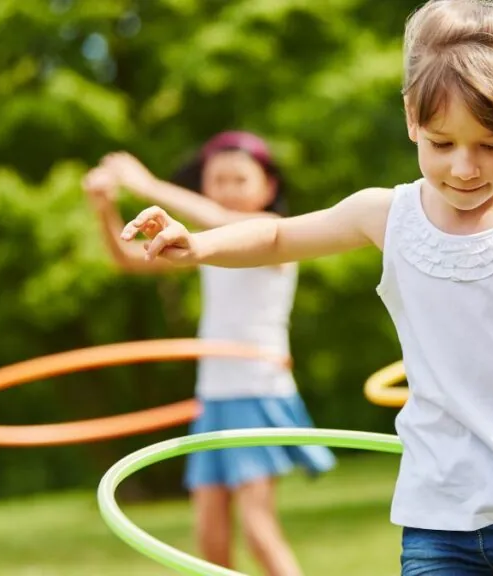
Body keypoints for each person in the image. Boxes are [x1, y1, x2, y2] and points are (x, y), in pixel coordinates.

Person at [115, 1, 493, 573]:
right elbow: (277, 238)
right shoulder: (385, 215)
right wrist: (197, 245)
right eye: (443, 143)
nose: (464, 168)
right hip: (440, 512)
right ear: (412, 119)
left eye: (490, 145)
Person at [82, 130, 336, 576]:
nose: (228, 189)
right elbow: (127, 260)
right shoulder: (206, 243)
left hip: (255, 392)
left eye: (240, 179)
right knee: (209, 537)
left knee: (258, 528)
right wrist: (104, 208)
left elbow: (224, 220)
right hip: (214, 397)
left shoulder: (278, 241)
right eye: (217, 179)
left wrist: (147, 186)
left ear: (269, 187)